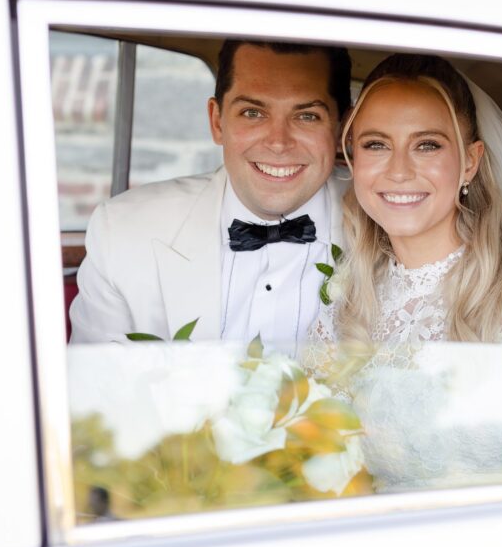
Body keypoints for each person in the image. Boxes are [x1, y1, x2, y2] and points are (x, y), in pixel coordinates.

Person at [303, 53, 502, 491]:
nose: (398, 170)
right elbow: (319, 470)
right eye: (376, 144)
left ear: (470, 162)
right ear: (352, 158)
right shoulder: (343, 309)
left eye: (427, 145)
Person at [69, 40, 352, 345]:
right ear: (217, 122)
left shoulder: (391, 230)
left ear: (341, 130)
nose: (278, 142)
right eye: (253, 113)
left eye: (307, 116)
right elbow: (97, 387)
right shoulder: (122, 232)